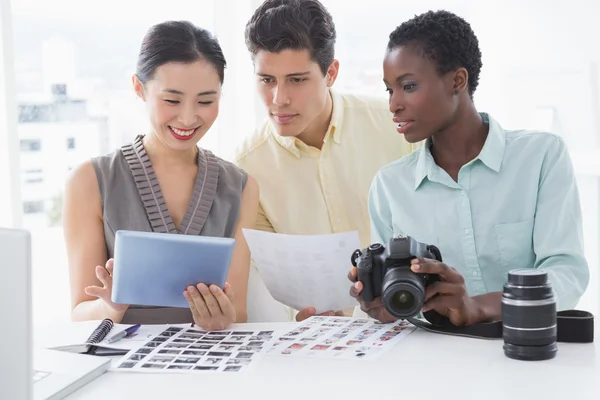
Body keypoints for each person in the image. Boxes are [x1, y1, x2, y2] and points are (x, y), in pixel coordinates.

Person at [348, 10, 590, 326]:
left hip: (526, 354)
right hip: (431, 361)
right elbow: (392, 307)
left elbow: (567, 274)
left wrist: (477, 307)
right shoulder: (389, 185)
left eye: (408, 86)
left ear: (457, 81)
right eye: (389, 90)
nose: (393, 104)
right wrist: (382, 306)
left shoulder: (541, 156)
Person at [63, 21, 259, 330]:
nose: (188, 117)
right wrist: (109, 307)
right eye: (172, 100)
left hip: (208, 359)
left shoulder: (240, 186)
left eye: (206, 101)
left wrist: (223, 317)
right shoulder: (89, 180)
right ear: (139, 88)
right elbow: (78, 313)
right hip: (119, 363)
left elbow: (238, 310)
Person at [233, 0, 419, 322]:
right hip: (318, 341)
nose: (279, 99)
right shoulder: (248, 166)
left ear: (330, 73)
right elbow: (271, 278)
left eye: (297, 80)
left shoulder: (396, 129)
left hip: (412, 323)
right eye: (267, 80)